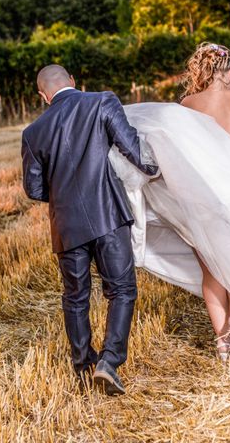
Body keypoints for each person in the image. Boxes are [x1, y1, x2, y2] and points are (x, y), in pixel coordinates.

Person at [109, 0, 230, 362]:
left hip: (204, 201)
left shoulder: (186, 106)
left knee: (212, 271)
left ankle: (222, 342)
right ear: (228, 69)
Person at [21, 64, 157, 395]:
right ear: (73, 82)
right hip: (108, 214)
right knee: (122, 290)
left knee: (75, 297)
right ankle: (110, 362)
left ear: (43, 96)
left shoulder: (33, 132)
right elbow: (132, 148)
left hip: (66, 227)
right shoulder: (101, 102)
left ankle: (83, 367)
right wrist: (155, 169)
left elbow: (34, 190)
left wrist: (63, 194)